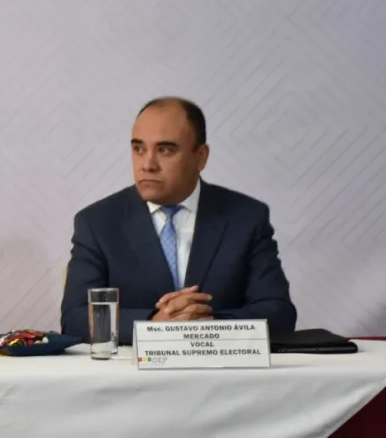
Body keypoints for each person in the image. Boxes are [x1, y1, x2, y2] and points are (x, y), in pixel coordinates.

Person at [61, 97, 296, 345]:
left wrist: (203, 325)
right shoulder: (98, 223)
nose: (147, 165)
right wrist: (153, 325)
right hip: (134, 381)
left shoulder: (246, 218)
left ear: (201, 157)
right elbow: (75, 319)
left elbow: (278, 314)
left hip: (224, 377)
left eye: (165, 150)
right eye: (138, 149)